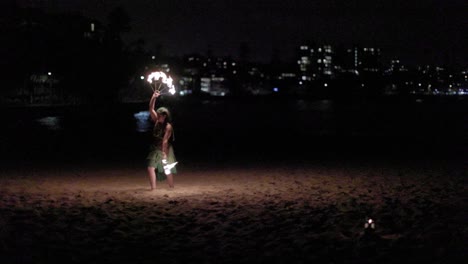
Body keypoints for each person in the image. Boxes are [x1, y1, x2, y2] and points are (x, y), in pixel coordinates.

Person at [146, 90, 177, 190]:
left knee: (167, 168)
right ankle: (153, 189)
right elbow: (151, 109)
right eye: (157, 115)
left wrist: (164, 153)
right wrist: (154, 97)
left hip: (164, 148)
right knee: (150, 168)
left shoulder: (168, 127)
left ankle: (171, 187)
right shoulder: (157, 121)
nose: (157, 116)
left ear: (165, 116)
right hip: (155, 148)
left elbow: (165, 141)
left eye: (160, 115)